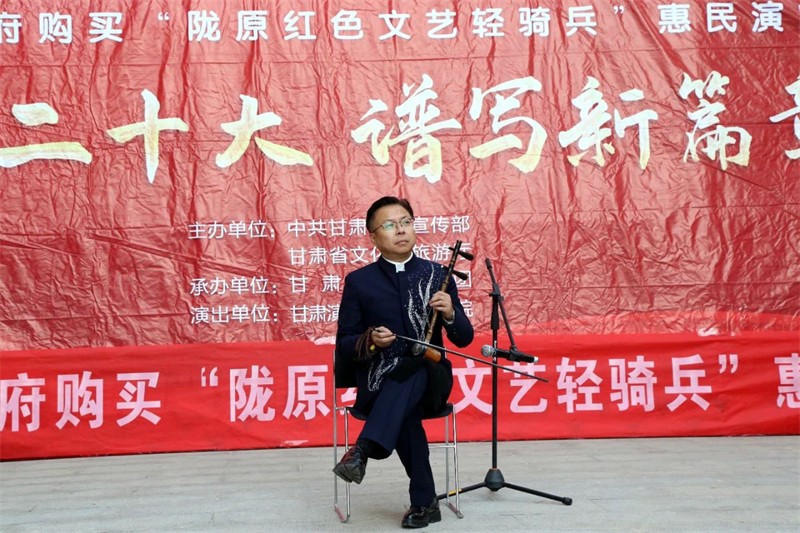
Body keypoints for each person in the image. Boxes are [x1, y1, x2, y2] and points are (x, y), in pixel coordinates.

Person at [333, 196, 474, 528]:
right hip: (380, 383)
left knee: (416, 367)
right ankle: (425, 504)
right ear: (373, 237)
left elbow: (464, 339)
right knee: (403, 409)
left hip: (431, 380)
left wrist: (450, 313)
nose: (400, 230)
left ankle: (364, 447)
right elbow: (345, 343)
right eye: (389, 225)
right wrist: (371, 339)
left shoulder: (437, 274)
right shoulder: (360, 282)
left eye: (406, 222)